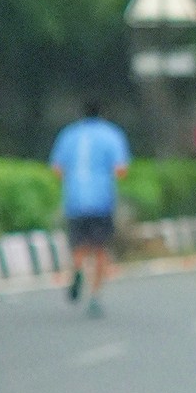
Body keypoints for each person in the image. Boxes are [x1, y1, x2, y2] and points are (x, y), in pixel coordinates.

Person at [49, 103, 131, 314]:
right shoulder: (111, 134)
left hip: (75, 199)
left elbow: (57, 169)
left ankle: (77, 270)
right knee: (100, 248)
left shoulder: (68, 134)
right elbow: (121, 170)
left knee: (79, 244)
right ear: (102, 114)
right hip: (101, 199)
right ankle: (94, 296)